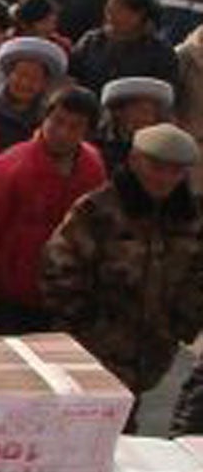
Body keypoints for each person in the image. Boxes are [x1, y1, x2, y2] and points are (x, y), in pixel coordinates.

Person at [43, 123, 203, 399]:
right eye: (156, 167)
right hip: (92, 352)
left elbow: (196, 277)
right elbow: (58, 269)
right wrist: (87, 326)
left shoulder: (189, 219)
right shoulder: (98, 210)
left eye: (175, 171)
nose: (164, 178)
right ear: (134, 160)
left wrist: (182, 324)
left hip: (152, 353)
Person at [0, 87, 106, 335]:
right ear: (44, 119)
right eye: (57, 121)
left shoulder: (93, 166)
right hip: (10, 295)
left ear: (87, 131)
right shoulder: (10, 166)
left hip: (67, 296)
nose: (63, 132)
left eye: (75, 126)